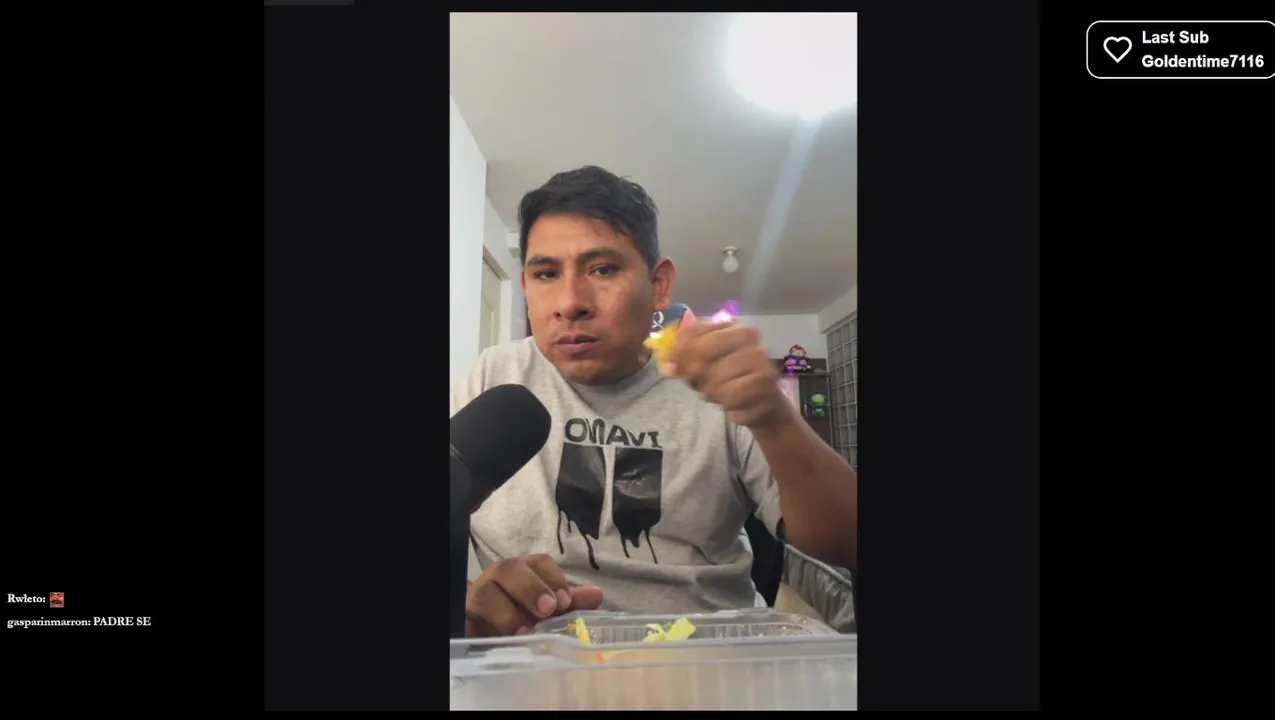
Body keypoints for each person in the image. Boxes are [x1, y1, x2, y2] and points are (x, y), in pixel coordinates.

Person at [450, 166, 857, 638]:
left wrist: (775, 419)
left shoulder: (714, 384)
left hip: (704, 656)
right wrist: (470, 607)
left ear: (659, 284)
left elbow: (845, 545)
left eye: (603, 269)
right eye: (546, 274)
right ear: (525, 287)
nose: (570, 302)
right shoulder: (492, 378)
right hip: (533, 662)